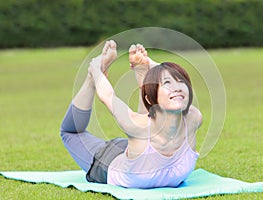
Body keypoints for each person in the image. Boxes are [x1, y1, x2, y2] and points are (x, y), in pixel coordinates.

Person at [60, 40, 202, 188]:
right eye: (167, 83)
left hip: (139, 146)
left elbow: (171, 91)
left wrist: (148, 62)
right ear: (151, 98)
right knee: (70, 132)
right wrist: (96, 70)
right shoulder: (134, 124)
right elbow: (108, 96)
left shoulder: (193, 118)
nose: (177, 87)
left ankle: (145, 80)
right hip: (110, 159)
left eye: (181, 82)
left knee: (147, 128)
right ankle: (90, 80)